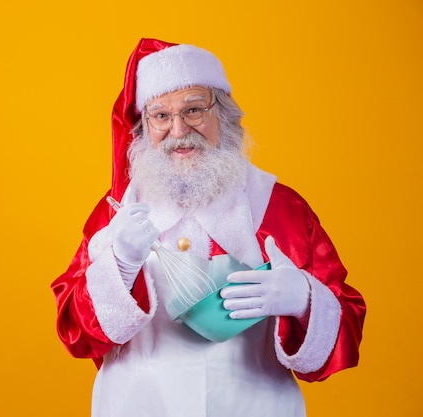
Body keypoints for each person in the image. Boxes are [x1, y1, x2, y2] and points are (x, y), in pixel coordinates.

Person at [51, 38, 366, 417]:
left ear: (224, 114)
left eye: (194, 110)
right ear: (143, 126)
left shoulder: (281, 208)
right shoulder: (118, 213)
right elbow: (74, 333)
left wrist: (306, 301)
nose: (179, 130)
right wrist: (117, 265)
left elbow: (344, 335)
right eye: (161, 116)